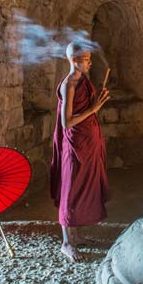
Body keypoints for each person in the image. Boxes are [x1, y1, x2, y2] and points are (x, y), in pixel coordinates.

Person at [50, 41, 110, 262]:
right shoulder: (69, 85)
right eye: (86, 59)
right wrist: (94, 108)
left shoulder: (83, 80)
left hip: (88, 142)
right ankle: (66, 242)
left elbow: (83, 108)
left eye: (89, 59)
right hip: (75, 145)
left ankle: (75, 236)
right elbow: (67, 122)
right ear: (74, 61)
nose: (90, 63)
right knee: (70, 189)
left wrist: (95, 101)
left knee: (82, 187)